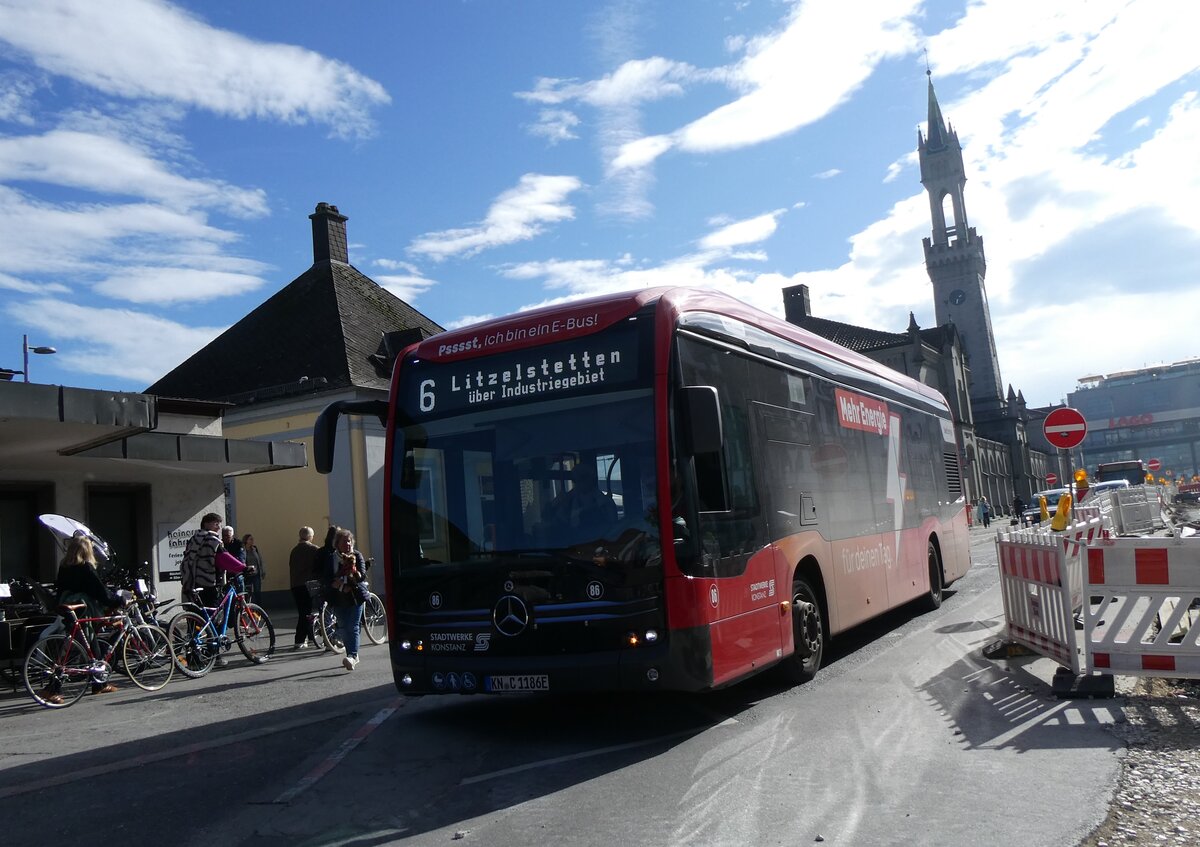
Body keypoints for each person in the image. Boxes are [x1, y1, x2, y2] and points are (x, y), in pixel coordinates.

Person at [47, 533, 125, 702]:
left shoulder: (64, 566)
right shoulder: (86, 568)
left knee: (92, 645)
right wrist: (119, 600)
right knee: (68, 651)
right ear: (87, 551)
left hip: (67, 607)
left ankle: (99, 684)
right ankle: (52, 688)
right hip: (82, 609)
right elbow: (100, 592)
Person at [324, 528, 367, 671]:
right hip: (338, 599)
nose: (348, 544)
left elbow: (361, 577)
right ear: (337, 544)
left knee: (353, 627)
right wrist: (340, 586)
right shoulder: (332, 558)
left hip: (355, 597)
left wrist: (353, 573)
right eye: (344, 542)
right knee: (343, 627)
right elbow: (328, 578)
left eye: (349, 541)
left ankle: (352, 656)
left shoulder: (357, 555)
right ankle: (352, 655)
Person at [545, 462, 618, 533]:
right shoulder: (569, 500)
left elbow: (612, 527)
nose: (578, 483)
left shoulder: (605, 502)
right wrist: (556, 503)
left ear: (591, 479)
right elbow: (549, 518)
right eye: (575, 479)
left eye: (582, 478)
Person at [180, 513, 225, 609]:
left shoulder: (194, 538)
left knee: (196, 611)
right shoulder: (212, 540)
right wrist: (242, 567)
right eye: (216, 524)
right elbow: (224, 557)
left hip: (192, 580)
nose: (219, 528)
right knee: (212, 610)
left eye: (220, 524)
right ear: (206, 524)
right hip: (208, 581)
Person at [288, 526, 320, 650]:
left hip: (295, 585)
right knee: (306, 613)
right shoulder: (314, 549)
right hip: (309, 585)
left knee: (304, 611)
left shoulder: (294, 550)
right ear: (310, 536)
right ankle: (299, 639)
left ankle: (311, 636)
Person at [242, 533, 265, 604]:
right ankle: (248, 608)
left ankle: (259, 608)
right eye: (250, 539)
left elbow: (260, 560)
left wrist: (262, 571)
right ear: (246, 540)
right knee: (248, 592)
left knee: (257, 592)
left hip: (256, 574)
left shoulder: (255, 549)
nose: (252, 541)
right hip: (248, 575)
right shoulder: (243, 550)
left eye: (252, 539)